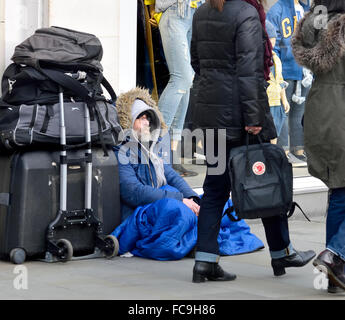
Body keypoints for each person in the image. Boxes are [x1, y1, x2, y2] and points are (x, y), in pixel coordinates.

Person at [190, 0, 316, 283]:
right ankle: (281, 251)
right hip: (239, 113)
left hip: (211, 111)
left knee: (214, 189)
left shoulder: (201, 12)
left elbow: (196, 61)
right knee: (267, 178)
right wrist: (254, 117)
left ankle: (205, 262)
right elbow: (249, 69)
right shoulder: (246, 13)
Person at [111, 87, 265, 260]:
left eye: (148, 117)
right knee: (177, 210)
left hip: (165, 201)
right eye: (140, 118)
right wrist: (180, 200)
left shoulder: (152, 149)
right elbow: (133, 192)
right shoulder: (121, 152)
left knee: (224, 205)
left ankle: (198, 241)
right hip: (143, 212)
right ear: (128, 122)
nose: (146, 122)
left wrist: (194, 199)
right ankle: (193, 242)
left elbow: (172, 176)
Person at [291, 0, 345, 294]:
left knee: (339, 190)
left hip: (320, 111)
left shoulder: (315, 22)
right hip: (341, 113)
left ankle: (331, 276)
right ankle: (335, 253)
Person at [145, 0, 205, 177]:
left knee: (186, 81)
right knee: (182, 78)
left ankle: (172, 155)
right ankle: (154, 145)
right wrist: (152, 10)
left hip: (194, 12)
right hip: (175, 10)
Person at [267, 0, 311, 165]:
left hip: (304, 70)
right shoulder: (277, 9)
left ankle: (298, 149)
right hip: (285, 68)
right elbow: (272, 42)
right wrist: (275, 68)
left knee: (299, 112)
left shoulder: (308, 9)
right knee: (283, 112)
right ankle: (283, 149)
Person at [265, 20, 290, 144]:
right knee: (266, 132)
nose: (273, 43)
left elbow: (280, 80)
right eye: (270, 39)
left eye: (274, 39)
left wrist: (284, 100)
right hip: (265, 102)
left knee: (275, 130)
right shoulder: (259, 57)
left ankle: (272, 154)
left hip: (276, 102)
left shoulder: (276, 58)